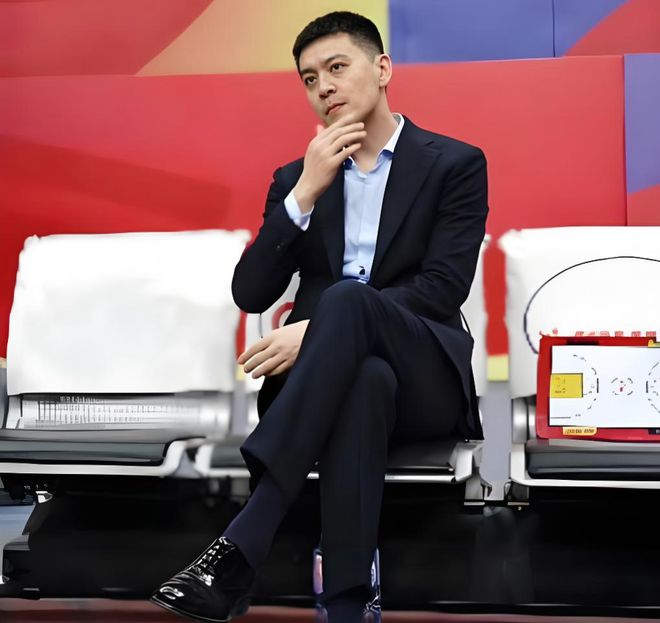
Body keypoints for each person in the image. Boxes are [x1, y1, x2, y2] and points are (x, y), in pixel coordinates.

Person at [151, 11, 488, 623]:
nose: (324, 87)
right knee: (364, 382)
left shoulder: (454, 164)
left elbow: (442, 289)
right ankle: (347, 603)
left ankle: (246, 536)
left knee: (346, 300)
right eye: (309, 79)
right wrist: (305, 192)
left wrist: (319, 330)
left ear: (382, 68)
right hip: (333, 387)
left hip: (425, 379)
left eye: (337, 67)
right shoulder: (296, 178)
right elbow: (252, 292)